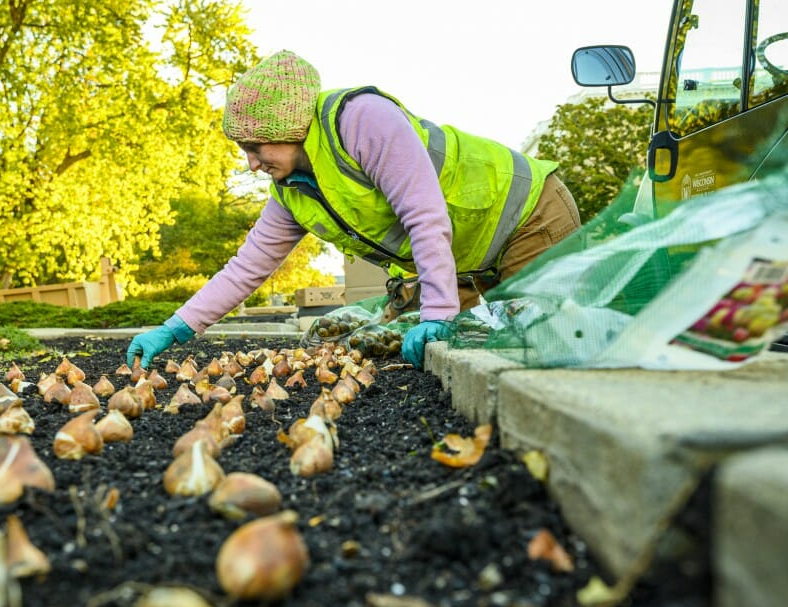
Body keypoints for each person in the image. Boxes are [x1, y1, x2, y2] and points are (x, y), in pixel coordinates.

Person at [126, 50, 581, 369]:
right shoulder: (293, 190)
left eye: (254, 146)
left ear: (286, 127)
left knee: (544, 345)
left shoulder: (362, 121)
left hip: (528, 217)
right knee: (475, 353)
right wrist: (174, 329)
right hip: (468, 257)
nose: (251, 162)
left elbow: (424, 218)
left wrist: (438, 313)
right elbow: (246, 268)